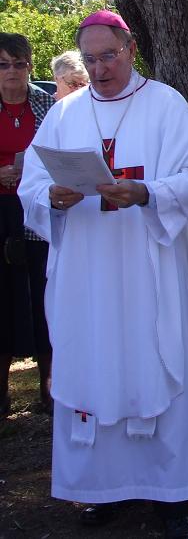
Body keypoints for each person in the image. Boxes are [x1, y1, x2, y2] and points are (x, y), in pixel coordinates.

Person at [17, 10, 188, 539]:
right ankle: (102, 489)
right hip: (89, 273)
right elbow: (31, 187)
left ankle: (173, 499)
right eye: (90, 59)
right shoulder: (64, 114)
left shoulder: (166, 104)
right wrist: (53, 198)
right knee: (94, 364)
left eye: (108, 56)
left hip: (149, 267)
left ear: (130, 48)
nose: (100, 68)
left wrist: (146, 192)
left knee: (157, 361)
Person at [0, 33, 55, 416]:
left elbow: (61, 155)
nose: (12, 72)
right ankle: (1, 396)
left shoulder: (48, 106)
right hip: (0, 213)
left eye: (20, 63)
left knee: (44, 296)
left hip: (37, 213)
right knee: (3, 301)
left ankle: (50, 390)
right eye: (3, 64)